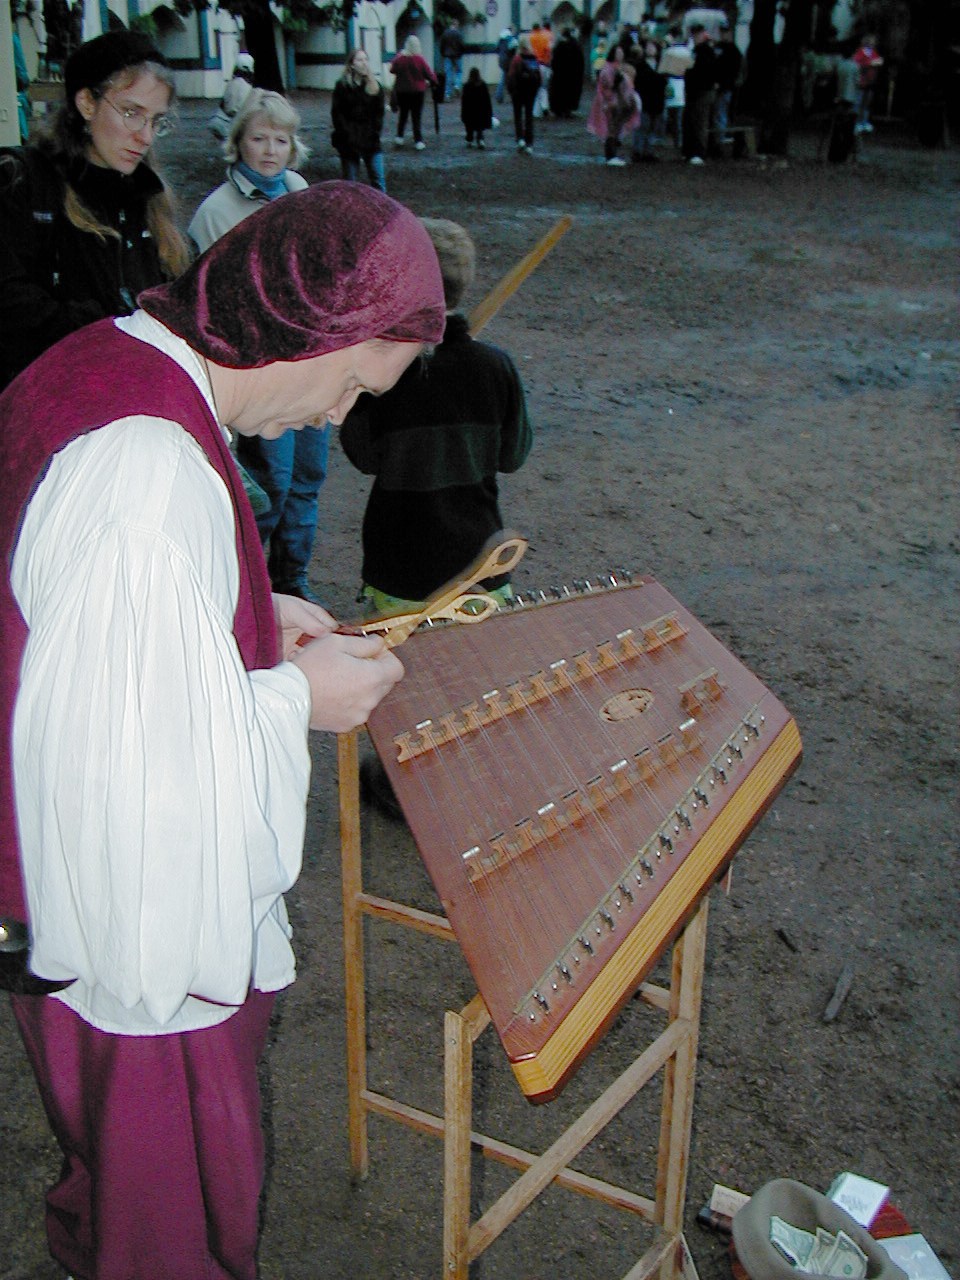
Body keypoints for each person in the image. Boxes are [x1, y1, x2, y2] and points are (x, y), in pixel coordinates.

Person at [0, 180, 445, 1280]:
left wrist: (247, 612)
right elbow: (137, 774)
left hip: (64, 888)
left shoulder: (112, 357)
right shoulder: (149, 472)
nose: (336, 419)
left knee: (114, 1167)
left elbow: (98, 630)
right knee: (172, 1213)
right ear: (306, 328)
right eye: (349, 384)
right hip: (136, 945)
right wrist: (301, 700)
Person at [340, 216, 532, 820]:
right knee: (472, 672)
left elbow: (363, 454)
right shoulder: (495, 367)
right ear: (463, 287)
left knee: (404, 673)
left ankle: (403, 786)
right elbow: (513, 453)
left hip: (400, 558)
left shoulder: (383, 372)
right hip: (478, 558)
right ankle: (466, 779)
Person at [190, 89, 331, 601]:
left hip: (311, 360)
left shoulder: (298, 190)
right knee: (272, 478)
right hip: (260, 367)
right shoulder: (216, 211)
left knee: (308, 477)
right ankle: (252, 586)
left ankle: (293, 577)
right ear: (238, 142)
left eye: (281, 138)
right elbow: (211, 296)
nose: (270, 149)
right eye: (258, 137)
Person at [0, 29, 190, 391]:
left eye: (156, 121)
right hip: (44, 408)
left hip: (129, 408)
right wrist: (114, 328)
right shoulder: (23, 186)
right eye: (132, 113)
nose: (145, 136)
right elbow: (12, 307)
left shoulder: (150, 197)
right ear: (87, 103)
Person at [331, 47, 387, 191]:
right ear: (352, 64)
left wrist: (374, 133)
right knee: (350, 182)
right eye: (360, 60)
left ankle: (384, 212)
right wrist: (347, 134)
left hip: (370, 139)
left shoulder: (375, 87)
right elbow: (337, 114)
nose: (364, 63)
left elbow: (379, 114)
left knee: (378, 180)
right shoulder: (342, 86)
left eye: (366, 59)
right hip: (349, 140)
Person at [587, 45, 641, 166]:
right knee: (611, 129)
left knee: (615, 128)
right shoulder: (608, 69)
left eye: (621, 52)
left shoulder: (619, 68)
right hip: (610, 103)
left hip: (619, 103)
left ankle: (613, 154)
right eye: (618, 53)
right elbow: (607, 86)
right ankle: (611, 155)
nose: (620, 55)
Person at [390, 34, 438, 150]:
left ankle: (399, 137)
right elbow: (429, 74)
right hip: (418, 91)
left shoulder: (400, 58)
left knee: (403, 115)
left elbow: (392, 69)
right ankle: (418, 140)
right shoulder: (419, 59)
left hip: (402, 91)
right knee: (416, 116)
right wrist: (434, 81)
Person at [682, 23, 717, 164]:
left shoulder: (706, 52)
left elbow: (706, 71)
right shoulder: (695, 50)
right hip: (694, 91)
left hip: (702, 90)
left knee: (699, 122)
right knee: (691, 121)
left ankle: (699, 152)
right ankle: (690, 151)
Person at [631, 37, 666, 161]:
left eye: (653, 47)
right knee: (642, 126)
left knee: (652, 127)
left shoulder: (661, 65)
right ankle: (638, 151)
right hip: (644, 100)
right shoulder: (640, 65)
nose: (650, 49)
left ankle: (648, 151)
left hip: (657, 100)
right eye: (648, 47)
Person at [507, 34, 541, 153]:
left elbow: (511, 76)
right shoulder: (534, 58)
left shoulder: (517, 59)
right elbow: (538, 77)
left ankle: (520, 139)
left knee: (518, 116)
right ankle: (529, 143)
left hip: (518, 92)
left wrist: (511, 90)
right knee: (529, 117)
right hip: (530, 92)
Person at [208, 52, 255, 139]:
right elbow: (235, 110)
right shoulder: (245, 86)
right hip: (228, 124)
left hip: (218, 121)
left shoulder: (232, 83)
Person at [711, 22, 742, 145]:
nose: (724, 34)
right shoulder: (717, 47)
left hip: (726, 87)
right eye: (722, 31)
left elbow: (733, 71)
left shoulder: (734, 51)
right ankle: (717, 138)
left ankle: (720, 138)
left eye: (726, 32)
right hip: (715, 86)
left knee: (721, 113)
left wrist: (724, 84)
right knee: (717, 114)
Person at [548, 26, 585, 118]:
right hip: (573, 75)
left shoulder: (559, 46)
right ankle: (568, 109)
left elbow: (554, 61)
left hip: (560, 75)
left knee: (559, 92)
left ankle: (559, 109)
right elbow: (580, 61)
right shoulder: (575, 45)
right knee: (570, 92)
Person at [852, 33, 883, 132]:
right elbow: (856, 63)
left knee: (867, 104)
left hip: (871, 82)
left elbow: (878, 61)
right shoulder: (860, 52)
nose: (873, 43)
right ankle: (856, 122)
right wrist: (869, 63)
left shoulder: (873, 52)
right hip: (862, 82)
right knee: (858, 102)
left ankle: (864, 122)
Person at [461, 66, 493, 147]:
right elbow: (487, 100)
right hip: (481, 110)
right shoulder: (483, 85)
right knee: (480, 127)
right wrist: (489, 112)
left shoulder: (467, 86)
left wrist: (463, 113)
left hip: (469, 111)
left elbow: (464, 101)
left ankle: (469, 139)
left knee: (469, 127)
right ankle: (480, 140)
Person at [529, 20, 553, 118]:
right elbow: (548, 50)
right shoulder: (544, 37)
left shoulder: (530, 37)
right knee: (543, 87)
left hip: (532, 64)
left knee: (535, 88)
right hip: (543, 63)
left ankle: (535, 110)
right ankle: (544, 107)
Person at [439, 19, 464, 98]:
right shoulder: (459, 34)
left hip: (447, 56)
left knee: (448, 74)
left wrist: (443, 54)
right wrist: (461, 53)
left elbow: (442, 45)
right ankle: (457, 85)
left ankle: (447, 93)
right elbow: (462, 45)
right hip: (457, 55)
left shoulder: (445, 33)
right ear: (456, 25)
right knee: (459, 72)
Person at [495, 25, 517, 103]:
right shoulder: (511, 38)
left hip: (501, 59)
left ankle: (501, 95)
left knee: (505, 78)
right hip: (508, 60)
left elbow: (497, 48)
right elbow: (513, 50)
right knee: (507, 78)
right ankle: (500, 95)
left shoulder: (501, 38)